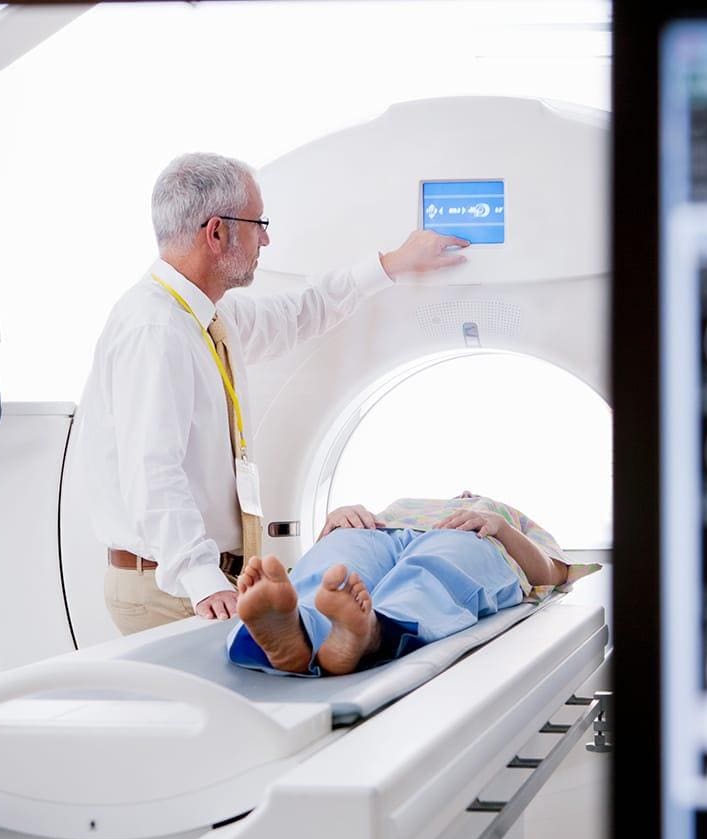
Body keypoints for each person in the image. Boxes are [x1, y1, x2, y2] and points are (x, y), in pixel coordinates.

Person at [72, 152, 469, 636]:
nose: (266, 238)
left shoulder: (210, 318)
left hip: (204, 579)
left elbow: (302, 313)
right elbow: (151, 471)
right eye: (258, 223)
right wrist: (203, 581)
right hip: (172, 587)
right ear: (216, 232)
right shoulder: (155, 329)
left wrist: (391, 264)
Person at [227, 492, 594, 676]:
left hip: (466, 537)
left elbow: (551, 574)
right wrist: (340, 518)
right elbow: (343, 532)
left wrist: (499, 526)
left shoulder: (502, 516)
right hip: (382, 530)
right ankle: (295, 628)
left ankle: (365, 632)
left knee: (432, 570)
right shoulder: (405, 502)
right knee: (338, 556)